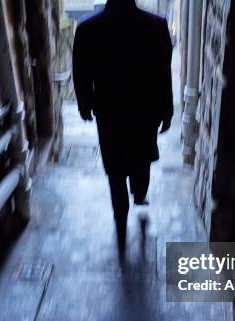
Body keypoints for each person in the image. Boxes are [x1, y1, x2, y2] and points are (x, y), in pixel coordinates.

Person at [72, 0, 173, 256]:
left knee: (114, 165)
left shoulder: (87, 28)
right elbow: (163, 73)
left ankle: (120, 213)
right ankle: (139, 193)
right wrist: (166, 110)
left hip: (109, 111)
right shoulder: (156, 26)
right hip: (144, 110)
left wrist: (85, 105)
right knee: (142, 157)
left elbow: (81, 73)